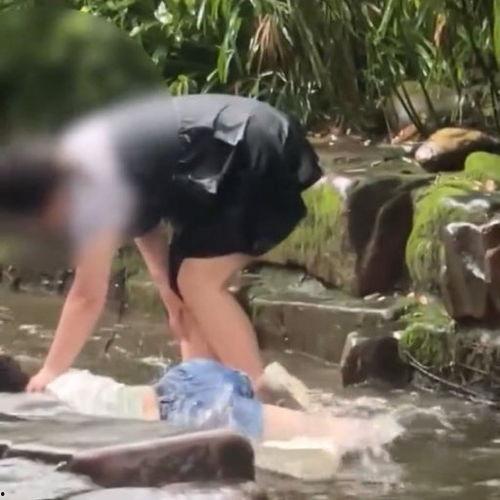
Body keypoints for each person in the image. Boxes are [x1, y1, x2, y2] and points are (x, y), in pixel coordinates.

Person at [0, 93, 322, 394]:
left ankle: (259, 392)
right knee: (183, 291)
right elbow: (144, 223)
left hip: (250, 147)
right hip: (235, 150)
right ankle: (202, 394)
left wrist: (50, 372)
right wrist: (167, 292)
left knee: (197, 282)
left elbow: (87, 296)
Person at [0, 354, 401, 448]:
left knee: (354, 436)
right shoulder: (57, 378)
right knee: (259, 410)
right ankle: (264, 383)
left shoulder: (43, 418)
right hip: (188, 377)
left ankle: (400, 435)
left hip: (188, 413)